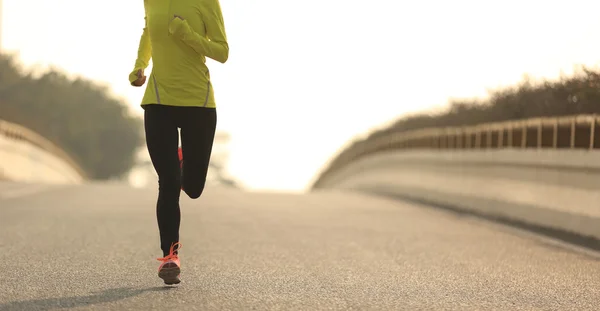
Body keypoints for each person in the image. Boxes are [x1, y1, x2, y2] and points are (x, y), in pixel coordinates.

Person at [129, 0, 229, 285]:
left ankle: (184, 159)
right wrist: (138, 66)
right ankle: (169, 257)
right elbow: (148, 33)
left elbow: (222, 52)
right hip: (159, 102)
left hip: (198, 103)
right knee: (169, 181)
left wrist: (186, 34)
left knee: (193, 188)